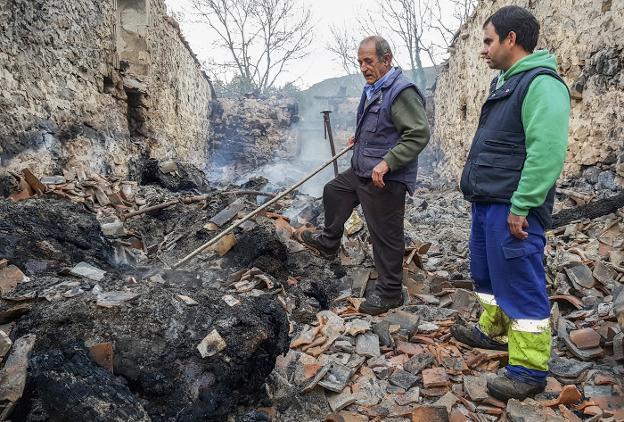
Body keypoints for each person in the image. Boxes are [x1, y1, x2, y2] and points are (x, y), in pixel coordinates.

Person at [451, 6, 570, 401]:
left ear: (511, 40)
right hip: (488, 201)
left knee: (519, 282)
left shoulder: (541, 84)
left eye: (488, 41)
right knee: (486, 274)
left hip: (512, 206)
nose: (483, 50)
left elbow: (547, 152)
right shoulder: (505, 82)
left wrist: (523, 204)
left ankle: (529, 368)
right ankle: (495, 329)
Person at [300, 35, 430, 315]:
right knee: (335, 190)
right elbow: (382, 126)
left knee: (385, 235)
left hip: (385, 177)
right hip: (364, 169)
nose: (363, 67)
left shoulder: (401, 91)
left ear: (387, 60)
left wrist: (388, 162)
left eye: (368, 61)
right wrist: (360, 138)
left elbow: (418, 133)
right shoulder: (375, 89)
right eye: (359, 62)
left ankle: (390, 292)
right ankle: (328, 243)